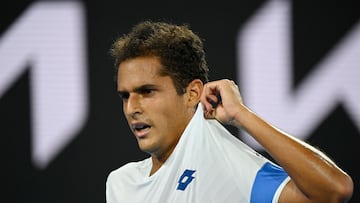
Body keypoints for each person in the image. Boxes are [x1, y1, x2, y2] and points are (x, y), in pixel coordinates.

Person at [106, 20, 353, 203]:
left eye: (147, 91)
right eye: (125, 96)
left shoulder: (223, 160)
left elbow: (333, 190)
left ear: (192, 93)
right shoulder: (121, 184)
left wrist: (241, 115)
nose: (131, 108)